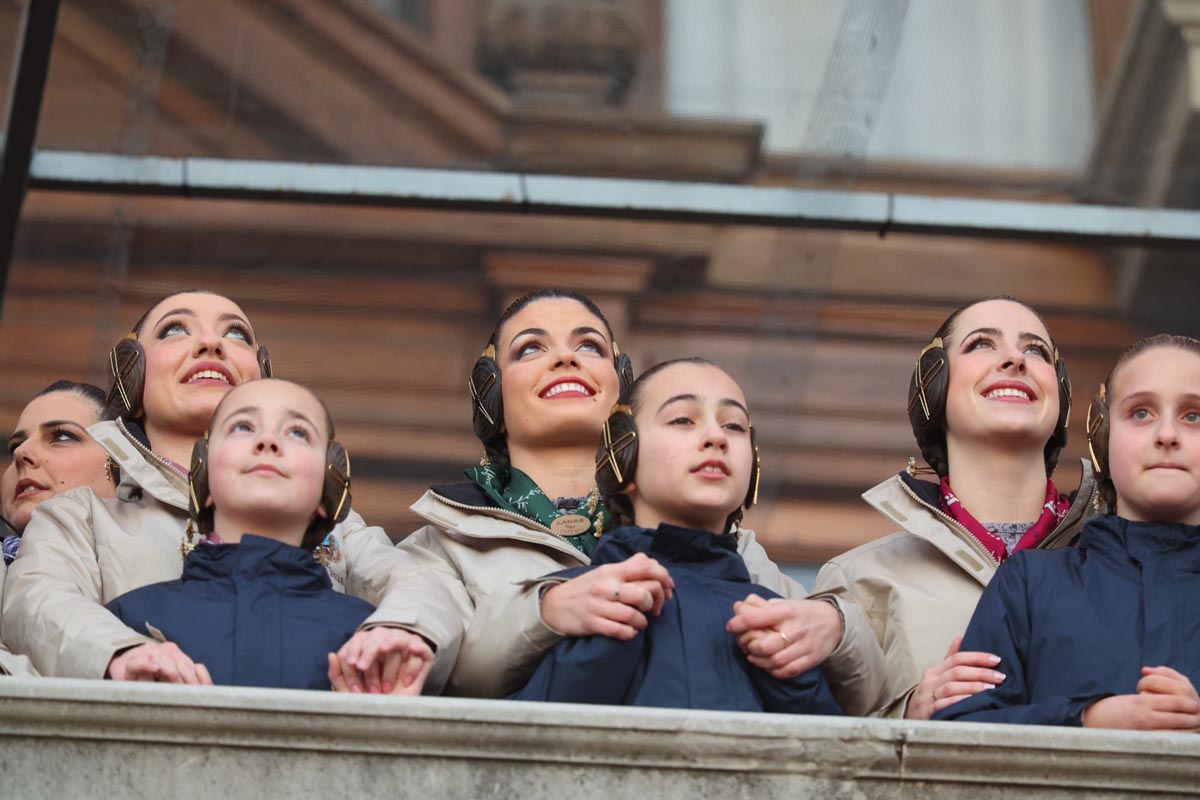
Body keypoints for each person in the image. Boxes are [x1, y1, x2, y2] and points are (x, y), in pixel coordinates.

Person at [401, 288, 883, 712]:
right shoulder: (439, 547)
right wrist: (546, 610)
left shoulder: (730, 548)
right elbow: (433, 677)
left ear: (623, 391)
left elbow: (862, 699)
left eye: (589, 345)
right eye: (531, 348)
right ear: (490, 393)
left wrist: (837, 625)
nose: (565, 358)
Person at [2, 291, 452, 692]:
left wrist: (399, 631)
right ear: (129, 373)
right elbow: (36, 602)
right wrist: (119, 653)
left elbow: (419, 586)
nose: (211, 344)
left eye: (236, 334)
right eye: (175, 329)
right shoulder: (81, 516)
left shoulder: (340, 527)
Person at [812, 297, 1099, 718]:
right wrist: (909, 715)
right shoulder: (859, 582)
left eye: (1036, 350)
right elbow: (815, 746)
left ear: (1061, 392)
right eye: (981, 343)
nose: (1016, 359)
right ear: (934, 385)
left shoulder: (1123, 564)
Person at [514, 358, 842, 714]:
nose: (717, 438)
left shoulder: (782, 620)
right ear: (622, 453)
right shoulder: (566, 603)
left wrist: (793, 679)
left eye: (734, 426)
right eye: (683, 419)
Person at [935, 334, 1200, 729]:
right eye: (1141, 412)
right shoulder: (1029, 583)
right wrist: (1088, 719)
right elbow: (959, 733)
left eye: (1194, 416)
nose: (1167, 435)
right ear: (1103, 435)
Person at [106, 379, 416, 691]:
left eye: (298, 432)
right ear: (203, 473)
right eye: (242, 426)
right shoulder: (127, 626)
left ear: (329, 486)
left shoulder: (372, 645)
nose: (268, 441)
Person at [0, 380, 114, 677]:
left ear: (121, 464)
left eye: (62, 436)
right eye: (14, 446)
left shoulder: (181, 561)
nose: (21, 453)